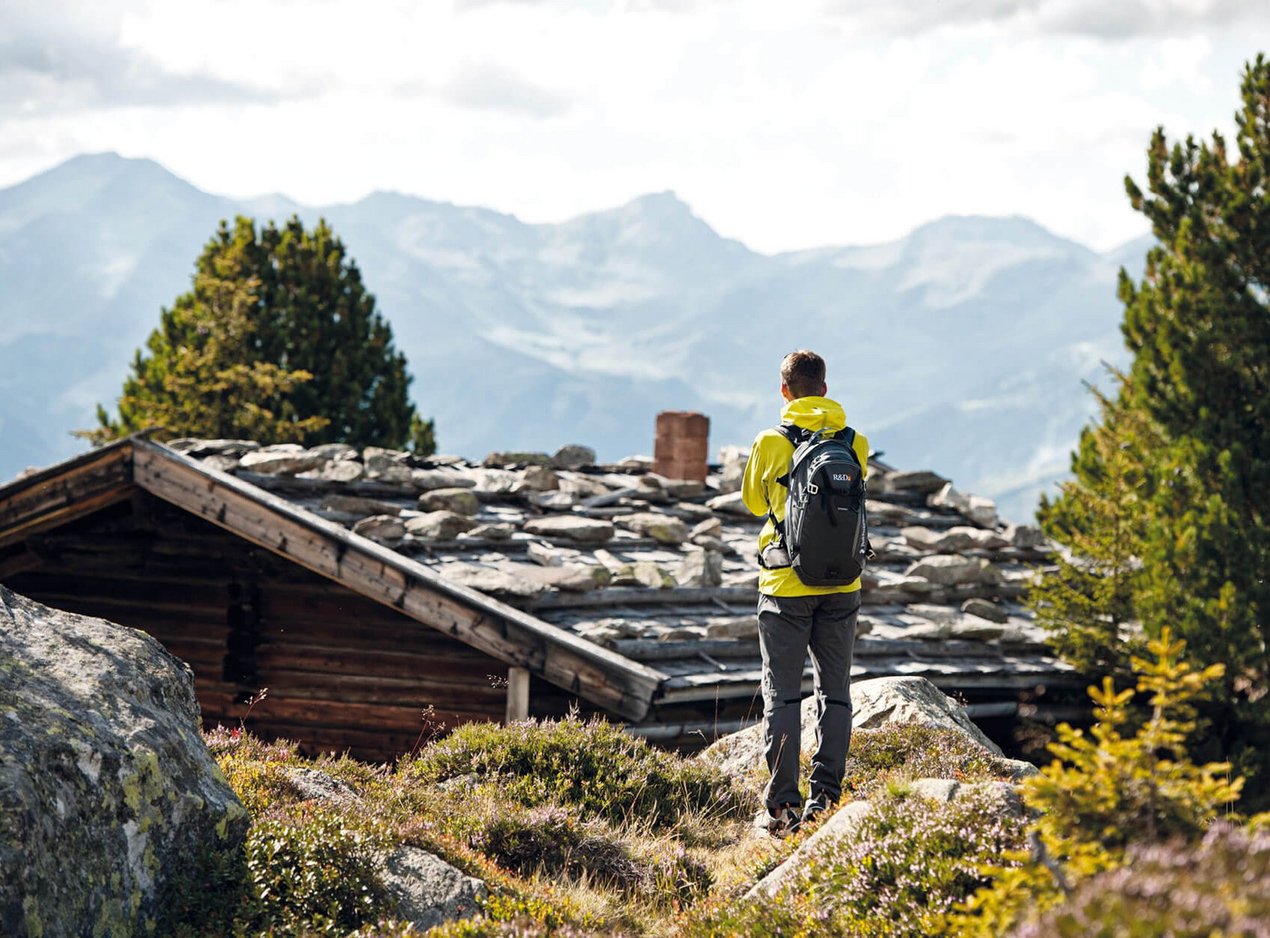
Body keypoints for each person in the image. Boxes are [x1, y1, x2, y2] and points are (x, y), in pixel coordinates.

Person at [741, 349, 869, 836]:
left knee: (782, 694)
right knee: (835, 692)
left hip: (783, 588)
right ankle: (828, 799)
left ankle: (783, 807)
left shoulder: (771, 441)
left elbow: (754, 503)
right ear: (825, 388)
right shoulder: (856, 442)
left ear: (784, 390)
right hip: (843, 583)